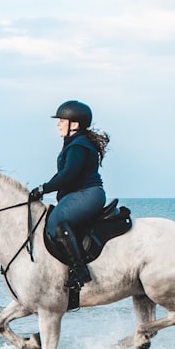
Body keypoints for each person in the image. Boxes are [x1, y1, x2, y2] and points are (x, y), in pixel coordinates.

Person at [29, 100, 110, 290]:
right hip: (82, 194)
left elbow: (68, 175)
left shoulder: (78, 146)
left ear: (74, 124)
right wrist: (44, 187)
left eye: (62, 121)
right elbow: (62, 175)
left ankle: (80, 271)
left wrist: (43, 189)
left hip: (87, 194)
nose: (58, 124)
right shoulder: (74, 143)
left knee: (55, 223)